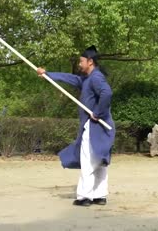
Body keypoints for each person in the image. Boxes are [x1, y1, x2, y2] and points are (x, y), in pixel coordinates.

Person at [36, 45, 115, 207]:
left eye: (81, 61)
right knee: (99, 161)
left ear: (90, 62)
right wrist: (48, 75)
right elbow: (70, 78)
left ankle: (85, 197)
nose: (79, 64)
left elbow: (107, 93)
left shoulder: (96, 78)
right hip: (99, 126)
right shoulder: (87, 79)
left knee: (89, 161)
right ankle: (99, 195)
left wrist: (98, 112)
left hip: (95, 126)